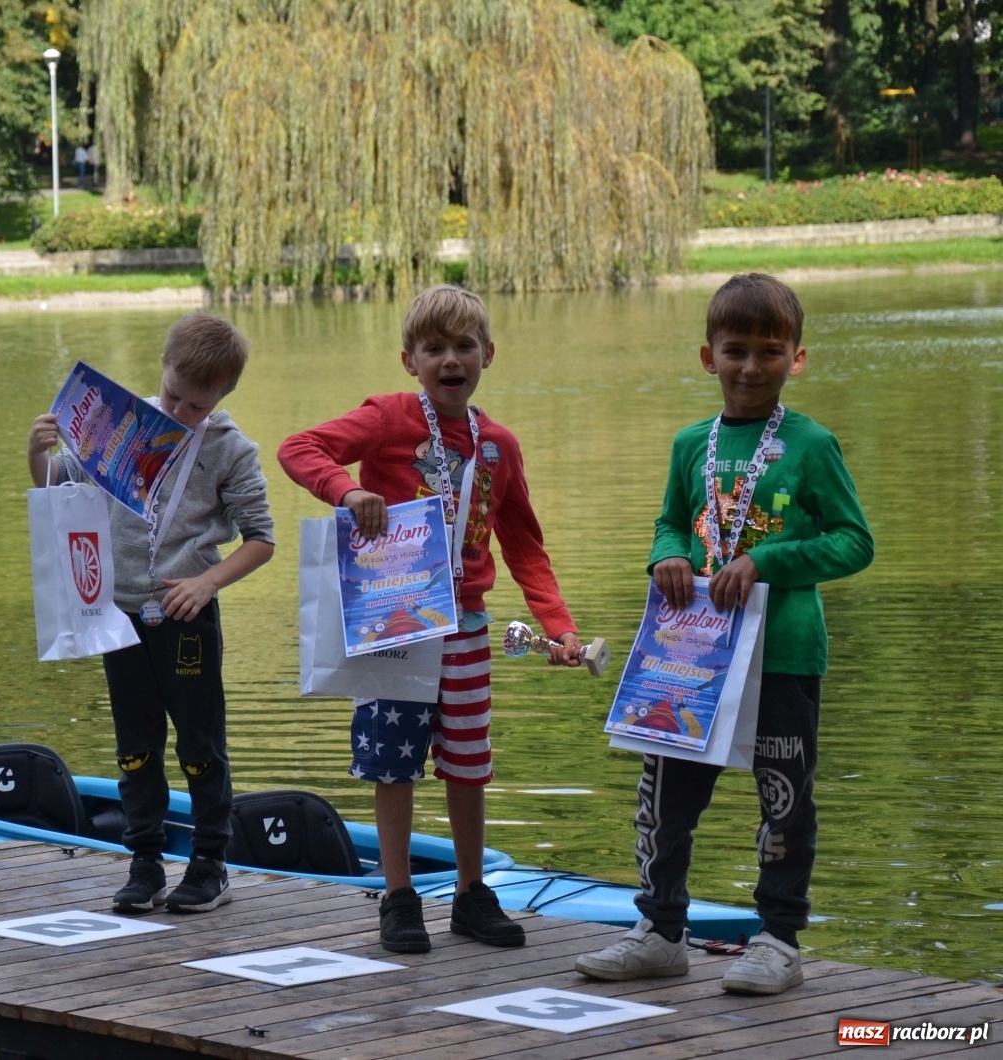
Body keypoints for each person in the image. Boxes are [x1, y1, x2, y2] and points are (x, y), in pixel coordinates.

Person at [574, 273, 873, 995]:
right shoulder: (690, 445)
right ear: (707, 357)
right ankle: (660, 932)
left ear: (796, 359)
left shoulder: (811, 444)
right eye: (734, 350)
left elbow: (853, 542)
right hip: (691, 659)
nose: (750, 367)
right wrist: (667, 555)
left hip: (784, 654)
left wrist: (766, 560)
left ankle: (777, 940)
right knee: (667, 797)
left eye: (770, 352)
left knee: (784, 797)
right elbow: (671, 521)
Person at [279, 284, 583, 953]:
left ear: (488, 355)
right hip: (393, 626)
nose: (450, 360)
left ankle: (472, 895)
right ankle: (398, 898)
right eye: (434, 348)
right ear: (408, 360)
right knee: (393, 763)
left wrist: (558, 627)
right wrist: (350, 489)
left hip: (467, 628)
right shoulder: (388, 419)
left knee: (469, 762)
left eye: (464, 347)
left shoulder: (498, 445)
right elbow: (299, 448)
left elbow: (526, 545)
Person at [27, 314, 275, 913]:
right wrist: (36, 454)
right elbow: (60, 491)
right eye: (173, 396)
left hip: (186, 616)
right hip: (117, 614)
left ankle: (211, 864)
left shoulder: (231, 451)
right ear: (160, 371)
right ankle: (144, 861)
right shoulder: (118, 426)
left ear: (222, 396)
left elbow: (261, 539)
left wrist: (208, 582)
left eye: (196, 405)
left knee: (199, 744)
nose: (180, 412)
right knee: (135, 745)